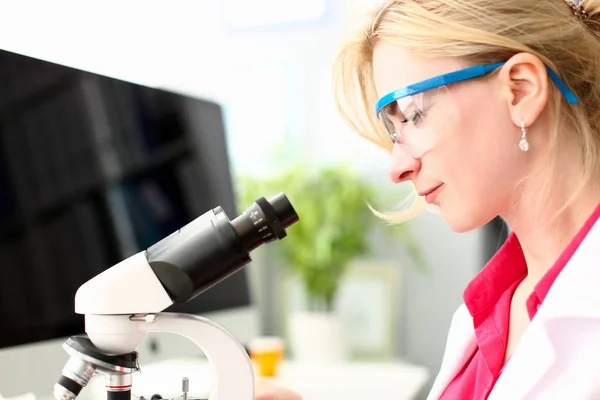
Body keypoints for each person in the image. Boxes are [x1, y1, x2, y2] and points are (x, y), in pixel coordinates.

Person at [255, 0, 600, 398]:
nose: (397, 168)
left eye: (414, 115)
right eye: (394, 129)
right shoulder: (489, 309)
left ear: (521, 90)